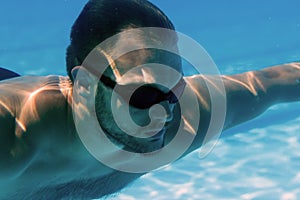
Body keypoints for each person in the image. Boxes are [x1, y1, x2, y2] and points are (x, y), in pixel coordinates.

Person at [0, 0, 299, 199]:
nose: (164, 113)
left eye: (174, 89)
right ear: (86, 83)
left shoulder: (179, 123)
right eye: (144, 94)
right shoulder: (12, 140)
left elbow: (270, 84)